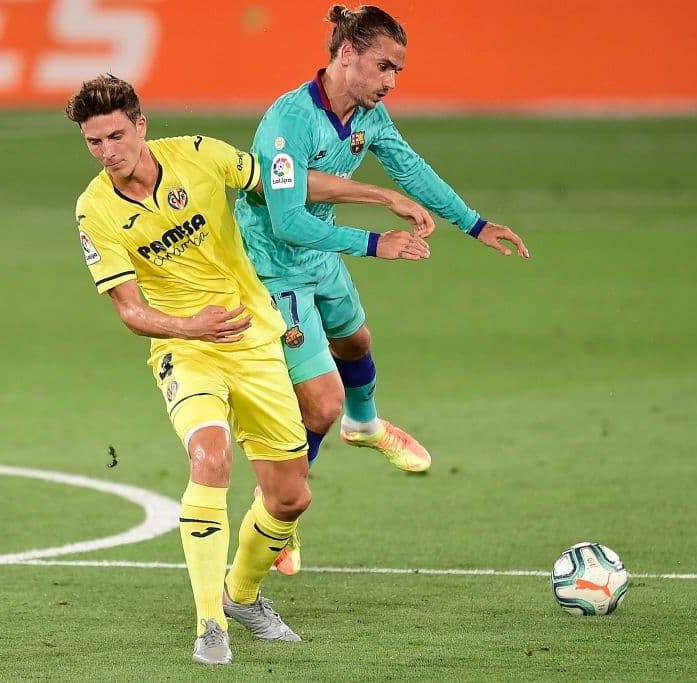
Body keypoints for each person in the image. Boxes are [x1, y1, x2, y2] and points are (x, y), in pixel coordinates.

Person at [65, 74, 429, 666]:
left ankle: (242, 596)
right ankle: (210, 623)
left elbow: (285, 185)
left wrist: (382, 197)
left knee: (289, 500)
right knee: (210, 456)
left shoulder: (202, 157)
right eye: (93, 142)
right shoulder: (95, 210)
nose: (108, 152)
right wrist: (191, 328)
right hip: (185, 348)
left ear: (141, 126)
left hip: (255, 339)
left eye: (115, 135)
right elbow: (131, 310)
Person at [234, 4, 530, 576]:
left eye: (398, 71)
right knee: (320, 403)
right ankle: (278, 514)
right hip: (274, 267)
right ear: (347, 54)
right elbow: (286, 221)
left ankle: (365, 427)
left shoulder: (370, 115)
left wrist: (474, 223)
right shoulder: (288, 121)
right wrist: (376, 242)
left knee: (356, 343)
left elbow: (411, 170)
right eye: (384, 66)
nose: (391, 81)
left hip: (318, 254)